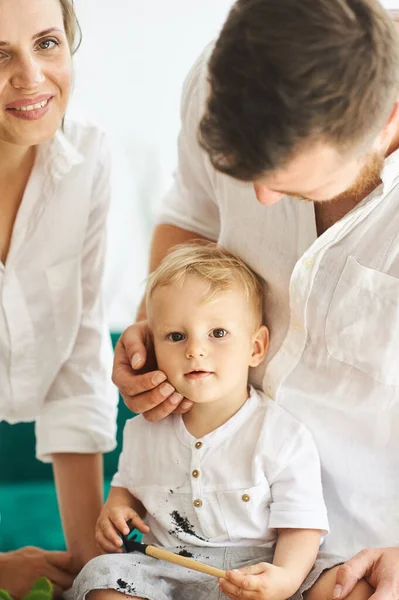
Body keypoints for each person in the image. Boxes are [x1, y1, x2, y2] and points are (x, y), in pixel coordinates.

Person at [112, 1, 399, 599]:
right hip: (192, 536)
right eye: (245, 172)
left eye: (295, 181)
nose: (264, 199)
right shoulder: (223, 77)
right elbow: (190, 215)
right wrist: (155, 322)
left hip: (361, 557)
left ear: (387, 121)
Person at [75, 242, 362, 600]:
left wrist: (284, 580)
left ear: (256, 347)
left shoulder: (281, 435)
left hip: (260, 568)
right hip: (168, 569)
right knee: (101, 578)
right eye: (176, 336)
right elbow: (127, 486)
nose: (195, 349)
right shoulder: (144, 428)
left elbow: (301, 527)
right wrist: (116, 509)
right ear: (153, 349)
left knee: (347, 586)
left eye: (218, 333)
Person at [0, 0, 118, 596]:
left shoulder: (88, 158)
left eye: (47, 43)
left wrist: (88, 562)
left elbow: (80, 355)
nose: (31, 76)